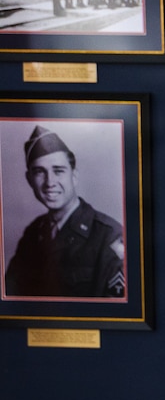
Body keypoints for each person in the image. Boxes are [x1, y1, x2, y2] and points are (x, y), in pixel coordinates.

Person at [4, 124, 125, 299]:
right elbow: (10, 299)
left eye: (58, 171)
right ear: (29, 179)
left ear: (74, 176)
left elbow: (116, 315)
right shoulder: (33, 233)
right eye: (39, 172)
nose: (49, 182)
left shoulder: (108, 236)